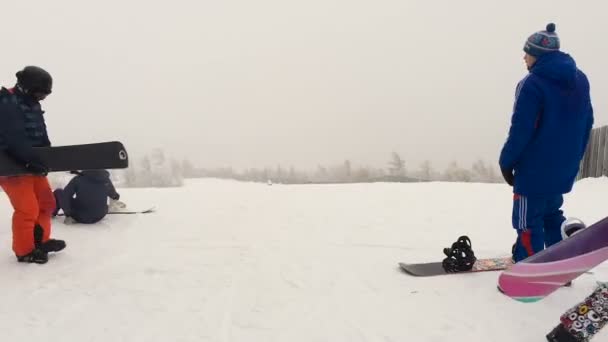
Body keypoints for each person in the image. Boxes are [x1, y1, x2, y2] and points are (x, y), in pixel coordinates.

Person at [499, 23, 594, 263]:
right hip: (563, 168)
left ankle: (529, 270)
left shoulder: (531, 84)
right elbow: (586, 123)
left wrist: (506, 162)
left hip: (533, 170)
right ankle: (559, 263)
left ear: (538, 55)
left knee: (527, 221)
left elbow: (521, 129)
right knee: (551, 214)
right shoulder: (580, 80)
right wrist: (575, 159)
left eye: (528, 53)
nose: (524, 57)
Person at [0, 66, 66, 264]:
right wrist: (30, 161)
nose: (41, 98)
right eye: (39, 93)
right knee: (27, 209)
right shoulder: (6, 101)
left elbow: (41, 133)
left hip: (33, 163)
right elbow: (13, 137)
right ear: (26, 87)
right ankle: (25, 250)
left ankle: (40, 241)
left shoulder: (33, 103)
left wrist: (47, 155)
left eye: (45, 95)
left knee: (47, 204)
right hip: (11, 166)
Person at [53, 169, 125, 224]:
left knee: (58, 191)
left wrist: (68, 214)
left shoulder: (78, 179)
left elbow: (65, 196)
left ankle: (52, 213)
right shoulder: (105, 179)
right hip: (100, 215)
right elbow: (114, 195)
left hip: (80, 216)